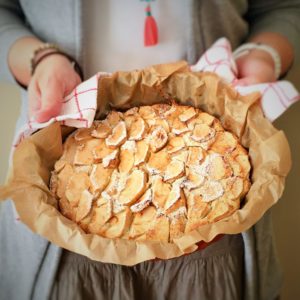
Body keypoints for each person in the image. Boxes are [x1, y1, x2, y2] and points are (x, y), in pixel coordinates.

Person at [0, 1, 299, 299]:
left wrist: (263, 57)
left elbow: (282, 7)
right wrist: (40, 59)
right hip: (65, 245)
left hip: (215, 240)